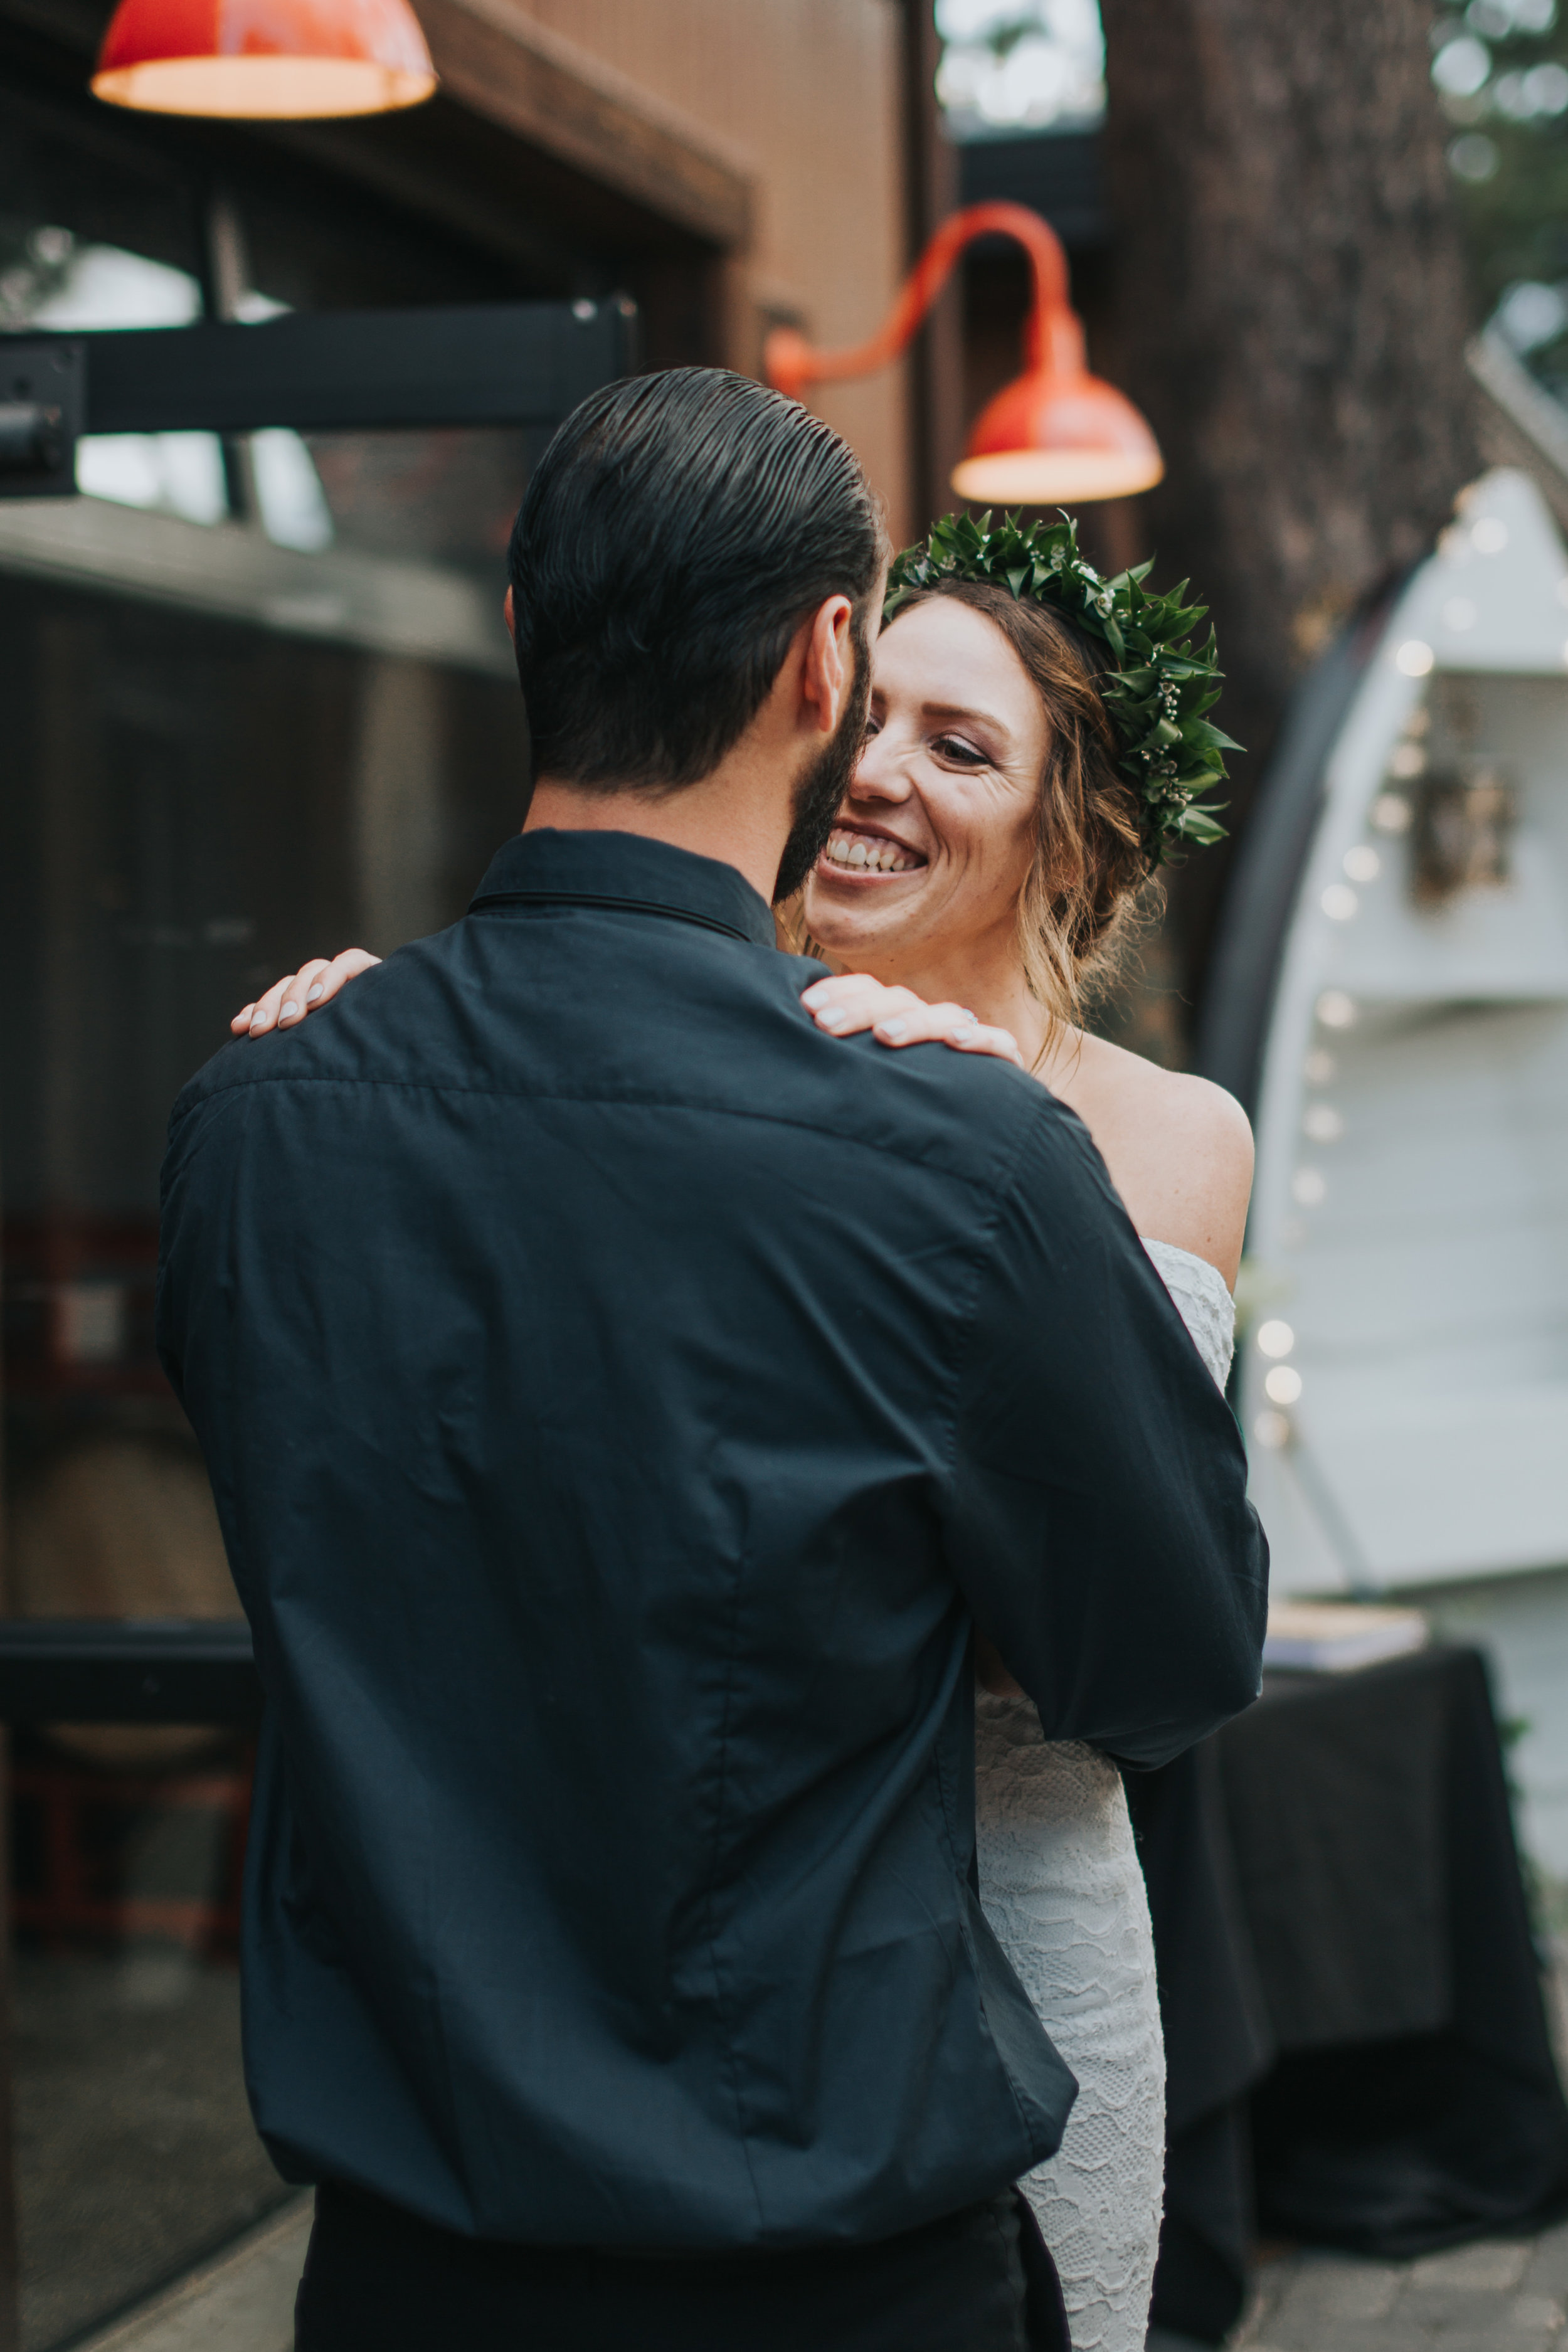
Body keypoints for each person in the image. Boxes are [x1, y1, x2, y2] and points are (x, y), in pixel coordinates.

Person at [162, 371, 1267, 2352]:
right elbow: (1166, 1669)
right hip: (820, 2263)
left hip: (406, 2276)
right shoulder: (952, 1163)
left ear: (517, 625)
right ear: (818, 658)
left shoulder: (256, 1121)